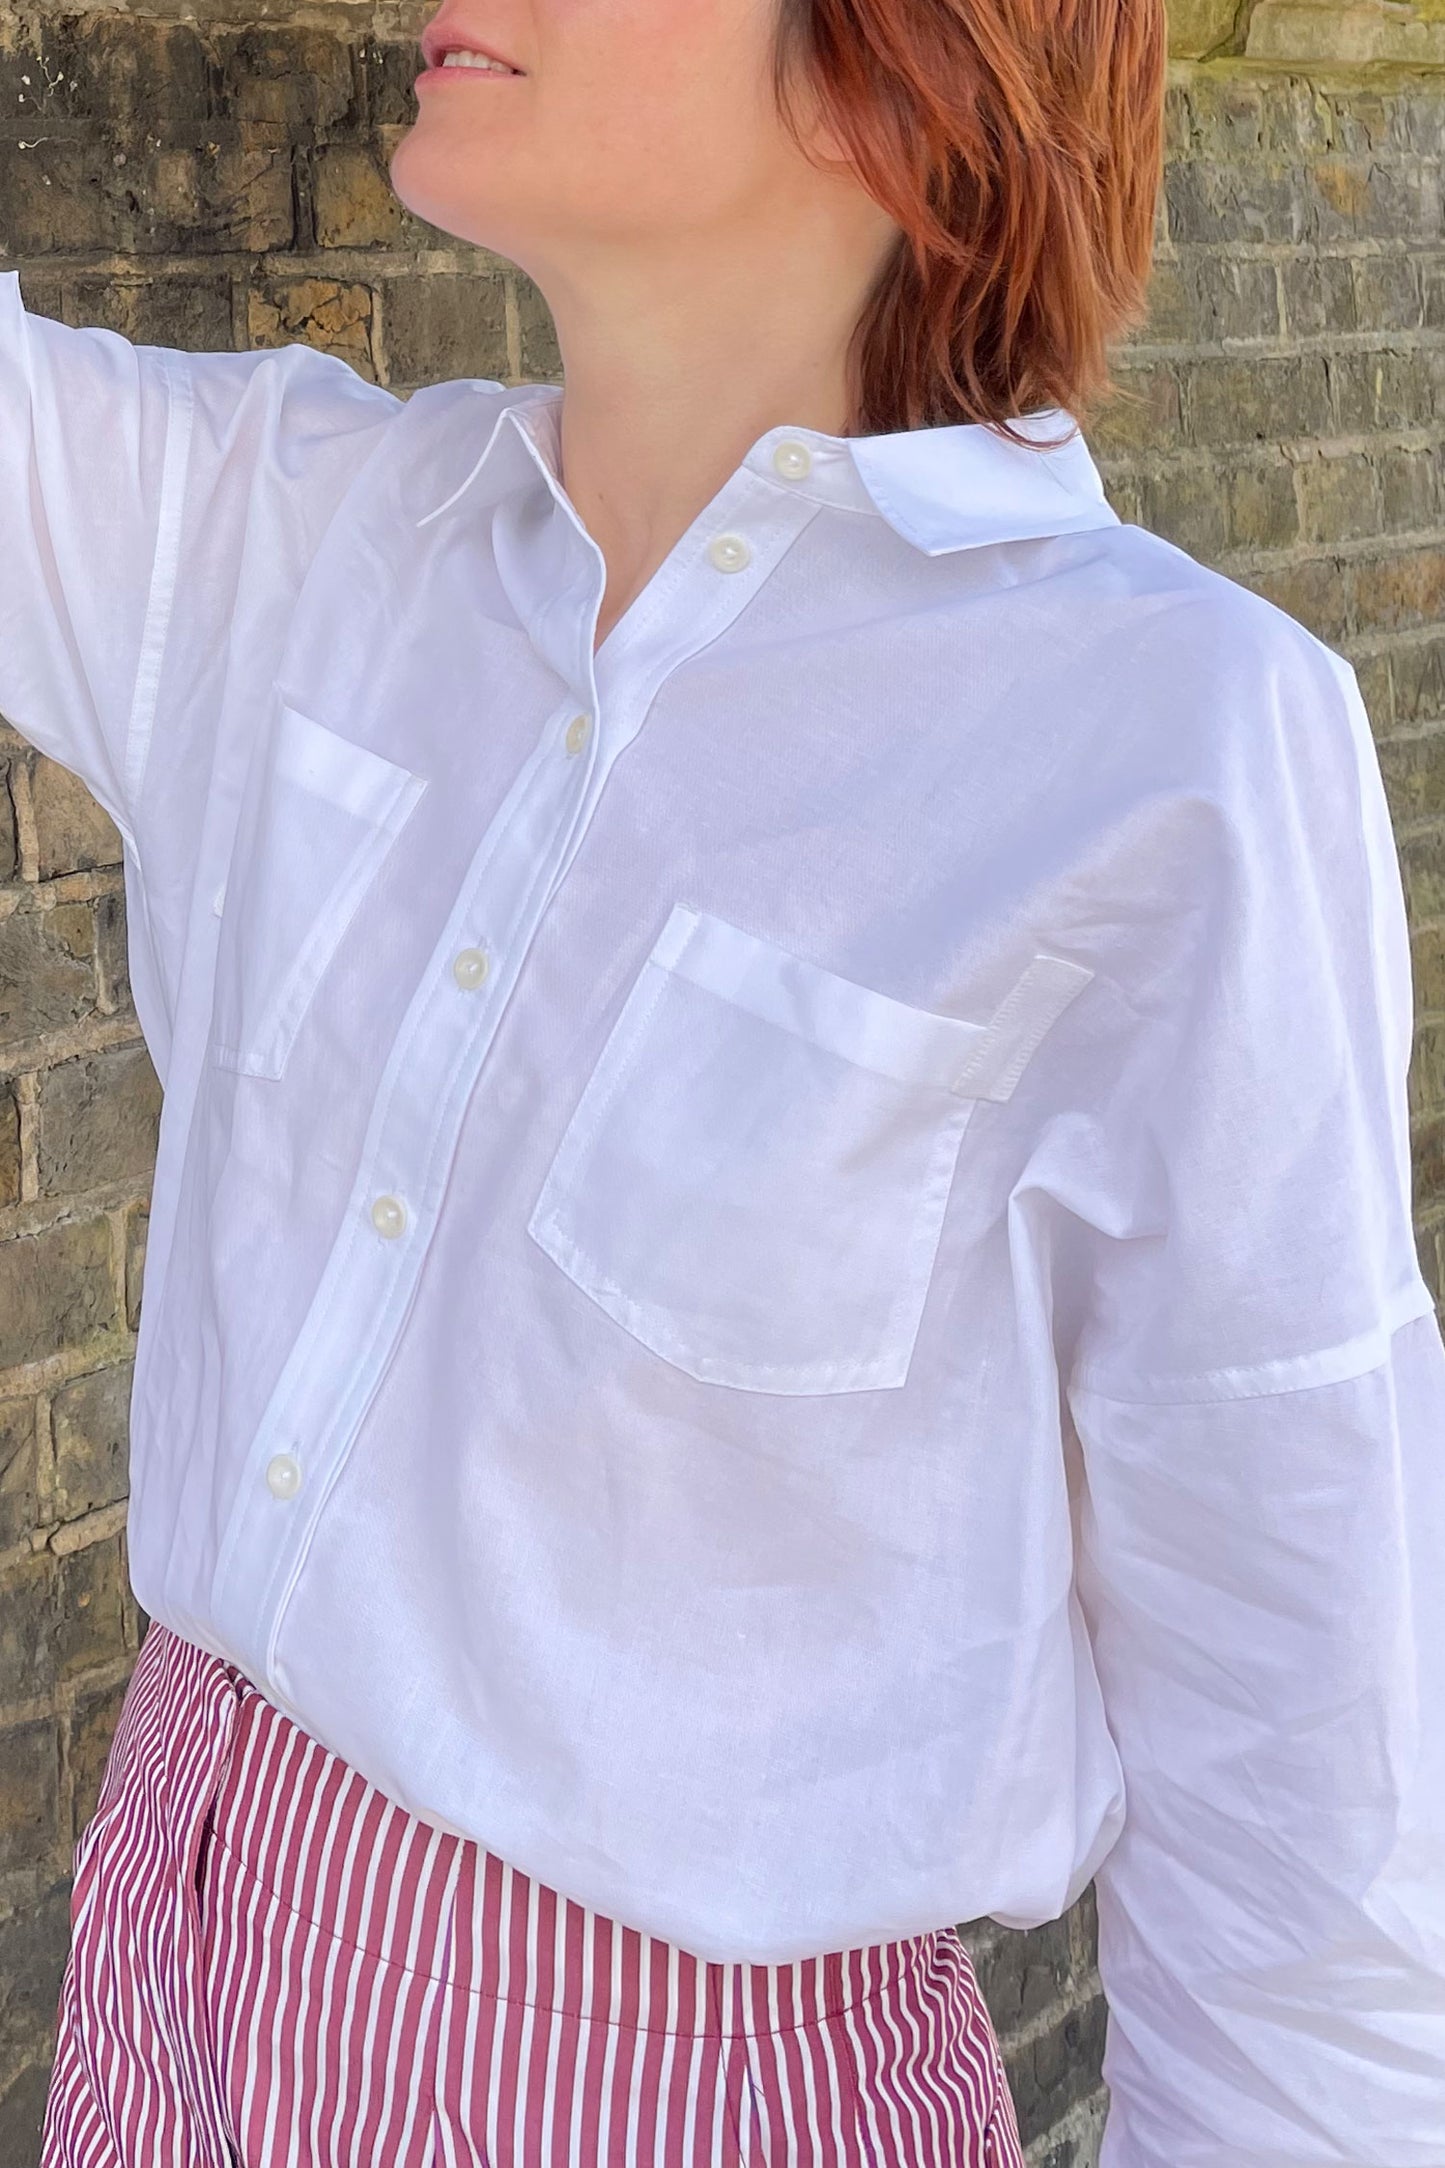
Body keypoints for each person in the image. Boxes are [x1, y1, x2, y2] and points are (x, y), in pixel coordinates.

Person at [5, 0, 1442, 2161]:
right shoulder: (283, 540)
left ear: (910, 53)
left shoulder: (1166, 750)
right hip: (170, 1973)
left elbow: (1309, 1843)